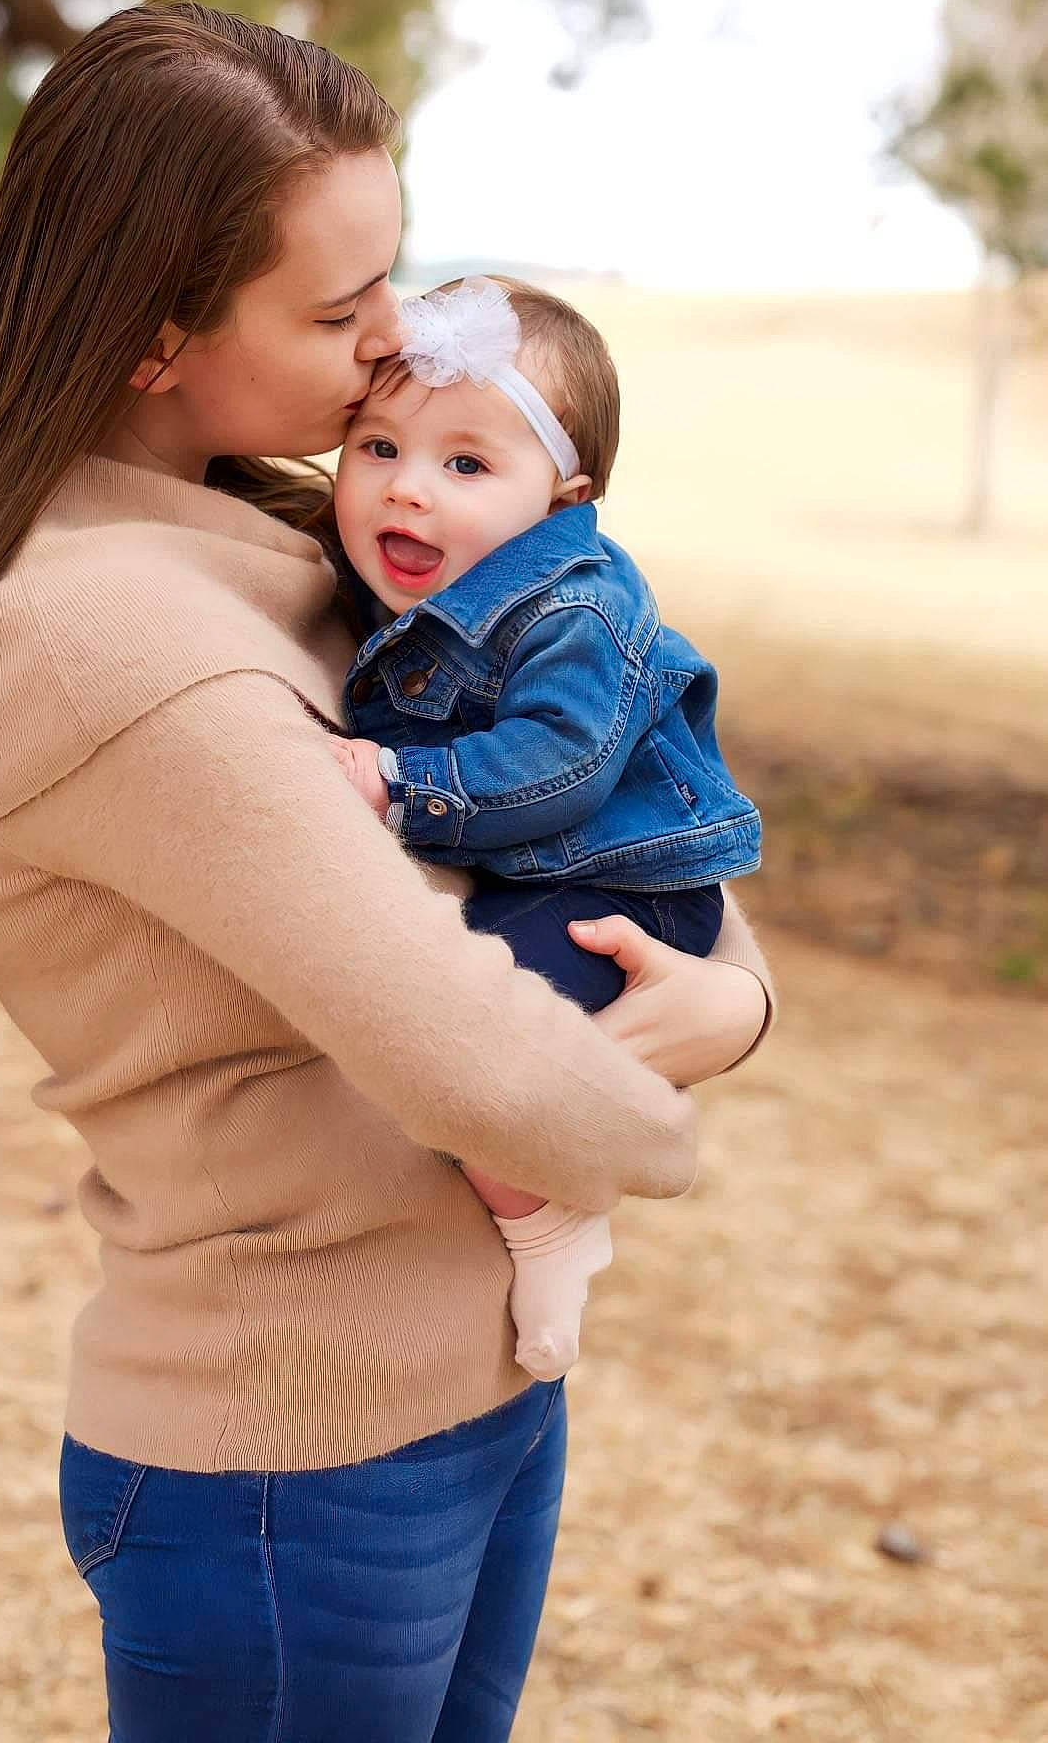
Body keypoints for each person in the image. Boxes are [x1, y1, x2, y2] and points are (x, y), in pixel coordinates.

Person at [0, 1, 776, 1743]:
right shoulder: (117, 641)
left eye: (391, 277)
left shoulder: (275, 532)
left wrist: (739, 988)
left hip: (453, 1400)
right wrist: (673, 1108)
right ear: (154, 338)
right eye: (341, 311)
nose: (397, 339)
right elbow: (478, 1059)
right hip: (296, 1462)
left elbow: (600, 768)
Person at [327, 273, 762, 1385]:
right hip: (544, 873)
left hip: (621, 885)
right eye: (378, 448)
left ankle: (548, 1223)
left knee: (479, 1047)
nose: (408, 492)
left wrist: (396, 778)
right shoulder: (405, 577)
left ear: (565, 500)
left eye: (466, 463)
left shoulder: (578, 607)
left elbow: (560, 769)